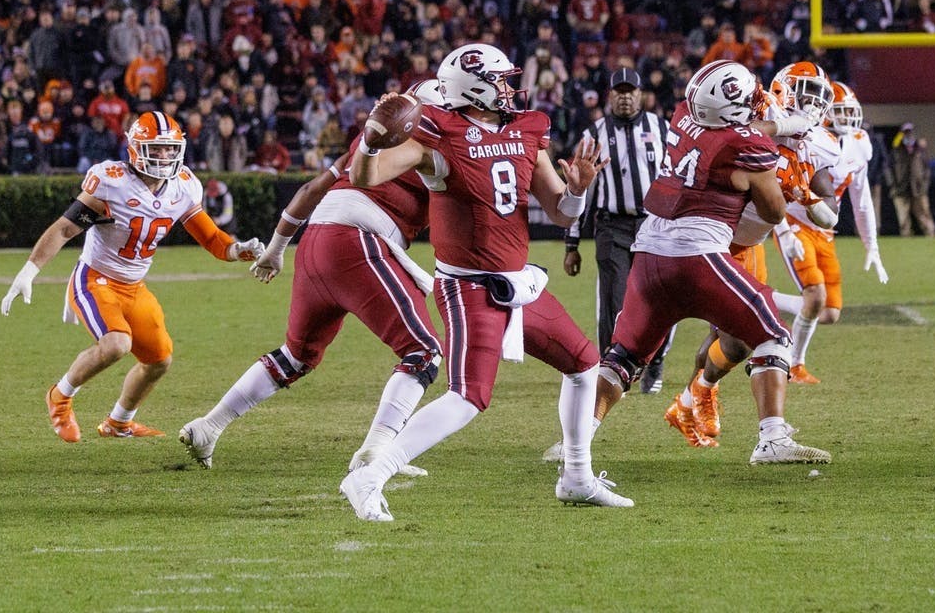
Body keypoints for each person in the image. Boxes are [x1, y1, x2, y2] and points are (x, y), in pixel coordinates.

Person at [340, 43, 632, 521]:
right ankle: (370, 476)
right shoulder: (440, 135)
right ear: (473, 86)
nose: (508, 88)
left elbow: (560, 211)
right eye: (499, 80)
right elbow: (366, 176)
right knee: (467, 397)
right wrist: (371, 142)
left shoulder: (525, 129)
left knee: (583, 363)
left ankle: (577, 478)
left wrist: (578, 190)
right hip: (469, 285)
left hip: (516, 282)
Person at [180, 82, 445, 475]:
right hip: (359, 240)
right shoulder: (441, 142)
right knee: (423, 351)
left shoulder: (367, 142)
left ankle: (209, 426)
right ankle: (376, 452)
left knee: (296, 356)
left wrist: (276, 248)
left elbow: (311, 188)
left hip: (317, 239)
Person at [594, 60, 831, 465]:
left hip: (649, 252)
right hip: (697, 254)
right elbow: (774, 212)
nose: (758, 98)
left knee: (624, 357)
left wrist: (782, 131)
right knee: (773, 334)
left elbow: (746, 129)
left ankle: (575, 441)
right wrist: (788, 161)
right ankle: (772, 438)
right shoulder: (749, 146)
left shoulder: (684, 114)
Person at [0, 112, 264, 442]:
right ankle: (60, 396)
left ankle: (118, 423)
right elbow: (65, 228)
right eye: (157, 148)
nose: (165, 156)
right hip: (95, 278)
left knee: (159, 360)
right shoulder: (111, 183)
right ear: (136, 148)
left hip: (133, 286)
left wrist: (238, 250)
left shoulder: (182, 187)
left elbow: (211, 238)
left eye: (170, 149)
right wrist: (29, 271)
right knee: (116, 344)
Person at [563, 68, 672, 399]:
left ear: (641, 95)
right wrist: (572, 243)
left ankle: (654, 362)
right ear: (610, 96)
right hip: (612, 226)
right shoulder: (593, 134)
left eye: (631, 91)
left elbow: (675, 178)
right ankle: (612, 370)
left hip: (653, 225)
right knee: (613, 300)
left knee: (661, 299)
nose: (625, 97)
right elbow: (579, 189)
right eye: (619, 91)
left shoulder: (661, 129)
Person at [772, 81, 889, 383]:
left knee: (829, 312)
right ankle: (794, 366)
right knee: (814, 296)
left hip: (825, 231)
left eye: (851, 111)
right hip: (796, 221)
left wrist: (872, 246)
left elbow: (861, 201)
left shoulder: (860, 142)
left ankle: (765, 301)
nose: (847, 118)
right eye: (840, 111)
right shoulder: (808, 138)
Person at [890, 122, 935, 236]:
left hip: (918, 188)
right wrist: (893, 184)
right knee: (903, 217)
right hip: (901, 187)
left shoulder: (920, 150)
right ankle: (906, 237)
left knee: (924, 215)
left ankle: (931, 235)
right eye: (906, 133)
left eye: (910, 132)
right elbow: (890, 169)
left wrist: (924, 185)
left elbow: (926, 169)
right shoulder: (897, 150)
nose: (908, 135)